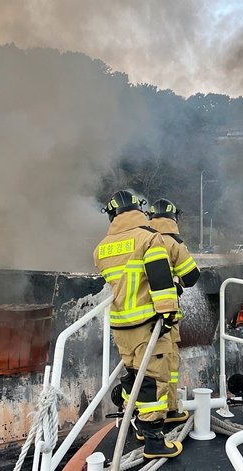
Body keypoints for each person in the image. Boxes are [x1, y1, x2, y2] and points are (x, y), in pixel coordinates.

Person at [93, 190, 183, 459]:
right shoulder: (148, 238)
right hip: (146, 323)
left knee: (135, 373)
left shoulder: (101, 249)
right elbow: (160, 280)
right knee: (153, 379)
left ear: (112, 215)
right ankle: (154, 440)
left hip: (121, 325)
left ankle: (134, 415)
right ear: (138, 210)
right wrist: (168, 313)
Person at [146, 198, 200, 424]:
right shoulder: (172, 243)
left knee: (150, 366)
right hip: (166, 316)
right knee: (167, 364)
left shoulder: (143, 239)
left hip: (139, 317)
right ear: (172, 218)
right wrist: (176, 285)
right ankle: (161, 417)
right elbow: (192, 276)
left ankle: (160, 412)